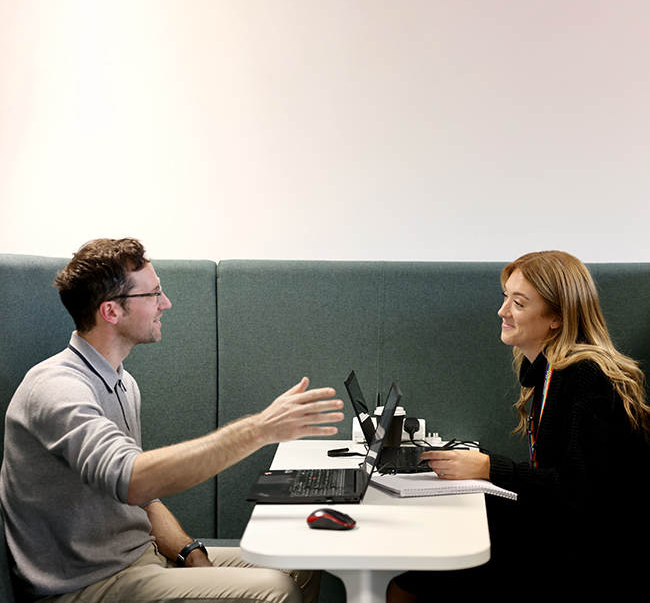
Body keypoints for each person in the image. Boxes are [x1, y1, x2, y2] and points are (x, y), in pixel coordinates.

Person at [0, 238, 345, 603]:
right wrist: (258, 429)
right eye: (153, 295)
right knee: (276, 591)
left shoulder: (122, 382)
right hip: (85, 586)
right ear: (111, 312)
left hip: (142, 563)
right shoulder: (57, 388)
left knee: (300, 564)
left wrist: (189, 552)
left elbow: (144, 501)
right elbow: (133, 481)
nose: (166, 303)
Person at [388, 250, 650, 600]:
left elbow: (579, 490)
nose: (502, 311)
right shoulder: (550, 373)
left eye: (519, 303)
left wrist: (489, 468)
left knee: (411, 580)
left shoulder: (585, 376)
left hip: (587, 555)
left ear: (556, 316)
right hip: (562, 533)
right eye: (505, 298)